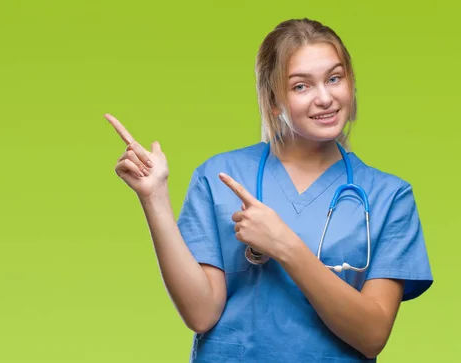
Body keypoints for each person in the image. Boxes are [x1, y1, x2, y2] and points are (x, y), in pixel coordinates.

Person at [105, 18, 432, 362]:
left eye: (335, 78)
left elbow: (372, 335)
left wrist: (285, 245)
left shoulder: (390, 197)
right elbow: (201, 315)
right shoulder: (221, 177)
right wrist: (153, 198)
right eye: (301, 86)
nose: (325, 98)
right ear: (274, 100)